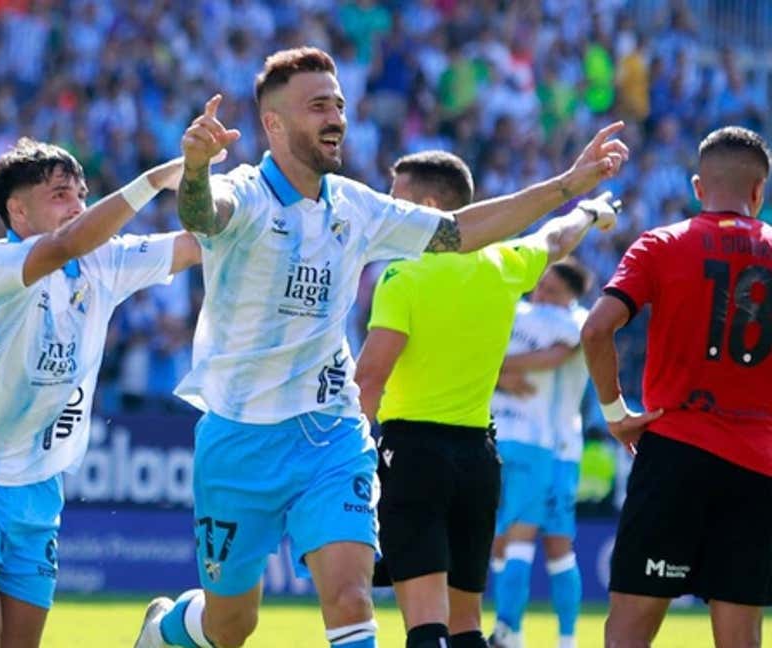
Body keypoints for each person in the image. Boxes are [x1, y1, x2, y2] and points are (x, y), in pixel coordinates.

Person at [135, 46, 626, 648]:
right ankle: (165, 632)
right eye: (317, 105)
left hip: (330, 434)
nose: (335, 116)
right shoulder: (245, 194)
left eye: (338, 104)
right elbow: (204, 215)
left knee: (350, 597)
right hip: (239, 438)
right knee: (231, 625)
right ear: (273, 123)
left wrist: (568, 186)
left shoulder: (355, 205)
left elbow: (461, 229)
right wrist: (193, 169)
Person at [0, 138, 201, 648]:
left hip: (37, 480)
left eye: (81, 194)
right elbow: (66, 244)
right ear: (17, 210)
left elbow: (195, 244)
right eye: (60, 195)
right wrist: (157, 179)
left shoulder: (103, 262)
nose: (77, 205)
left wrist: (217, 187)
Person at [351, 151, 615, 648]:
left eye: (396, 198)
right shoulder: (504, 264)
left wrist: (350, 461)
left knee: (425, 623)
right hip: (478, 458)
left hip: (414, 454)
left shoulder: (402, 276)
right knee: (467, 623)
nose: (387, 209)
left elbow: (369, 380)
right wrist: (591, 210)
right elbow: (555, 238)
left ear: (429, 206)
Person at [582, 125, 772, 648]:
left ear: (697, 186)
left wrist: (616, 411)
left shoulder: (661, 244)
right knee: (741, 637)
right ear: (759, 192)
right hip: (758, 463)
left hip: (674, 451)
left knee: (629, 633)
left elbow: (596, 329)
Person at [488, 261, 593, 648]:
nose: (540, 295)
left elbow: (557, 356)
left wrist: (497, 367)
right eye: (539, 287)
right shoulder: (528, 317)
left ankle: (565, 640)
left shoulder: (576, 322)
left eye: (550, 290)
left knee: (556, 545)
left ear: (570, 295)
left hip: (560, 447)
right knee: (503, 539)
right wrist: (500, 374)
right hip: (517, 440)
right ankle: (510, 632)